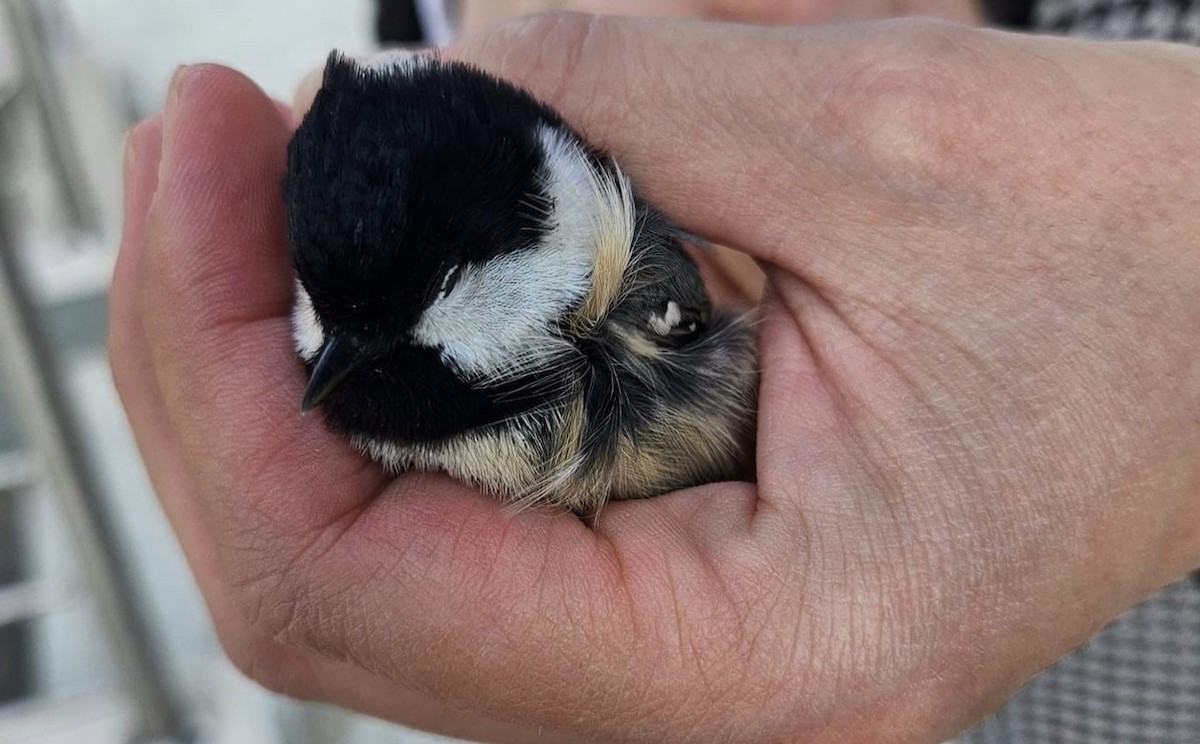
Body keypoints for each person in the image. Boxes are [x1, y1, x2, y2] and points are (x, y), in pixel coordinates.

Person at [110, 12, 1200, 744]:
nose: (342, 358)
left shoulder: (617, 279)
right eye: (330, 315)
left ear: (525, 241)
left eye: (425, 304)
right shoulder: (384, 217)